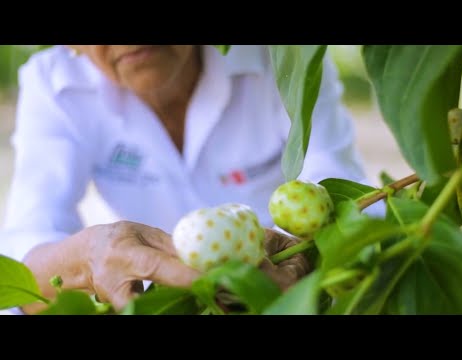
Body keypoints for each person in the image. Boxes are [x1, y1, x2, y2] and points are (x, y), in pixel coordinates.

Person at [0, 45, 370, 314]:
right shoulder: (54, 84)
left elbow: (341, 189)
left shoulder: (284, 55)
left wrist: (299, 252)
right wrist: (89, 255)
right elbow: (29, 244)